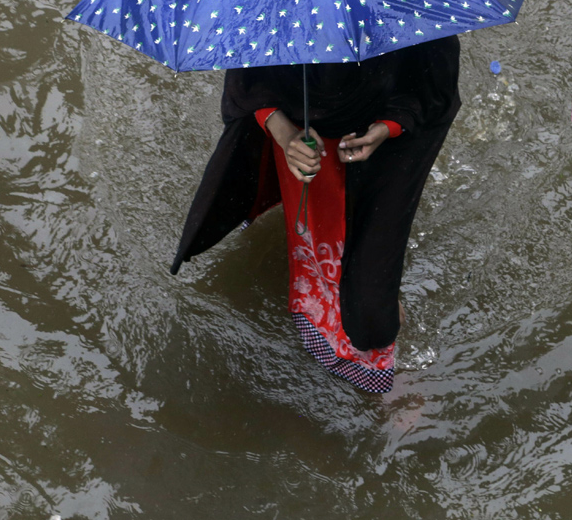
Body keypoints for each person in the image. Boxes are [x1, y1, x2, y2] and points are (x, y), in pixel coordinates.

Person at [171, 35, 461, 393]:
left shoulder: (406, 0)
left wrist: (387, 128)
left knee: (372, 287)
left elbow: (433, 82)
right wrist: (285, 133)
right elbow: (247, 81)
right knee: (318, 233)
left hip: (382, 139)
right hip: (304, 136)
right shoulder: (272, 0)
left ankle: (384, 350)